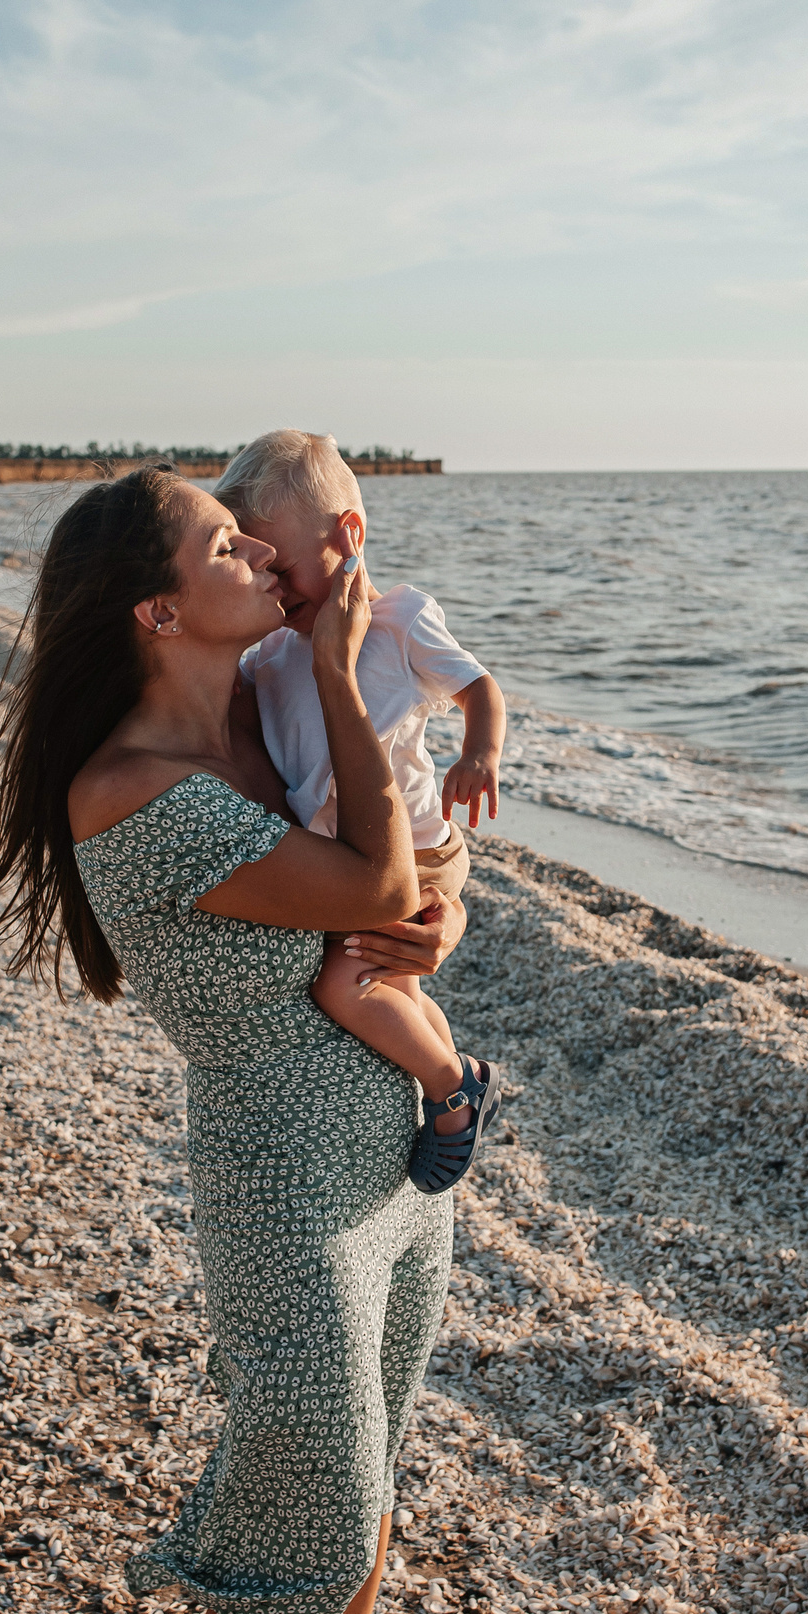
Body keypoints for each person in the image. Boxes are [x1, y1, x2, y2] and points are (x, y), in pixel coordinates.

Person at [0, 463, 466, 1614]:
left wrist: (440, 918)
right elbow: (368, 875)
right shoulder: (127, 789)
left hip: (401, 1166)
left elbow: (404, 879)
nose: (266, 556)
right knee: (301, 1523)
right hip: (287, 1190)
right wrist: (338, 673)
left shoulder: (262, 732)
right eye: (228, 547)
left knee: (366, 1485)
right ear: (157, 613)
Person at [215, 430, 508, 1193]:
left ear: (348, 535)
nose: (275, 586)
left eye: (284, 565)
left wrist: (479, 751)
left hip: (413, 846)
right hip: (349, 857)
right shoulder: (270, 656)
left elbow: (480, 687)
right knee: (396, 985)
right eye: (259, 568)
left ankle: (452, 1086)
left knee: (346, 985)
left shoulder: (401, 620)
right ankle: (454, 1073)